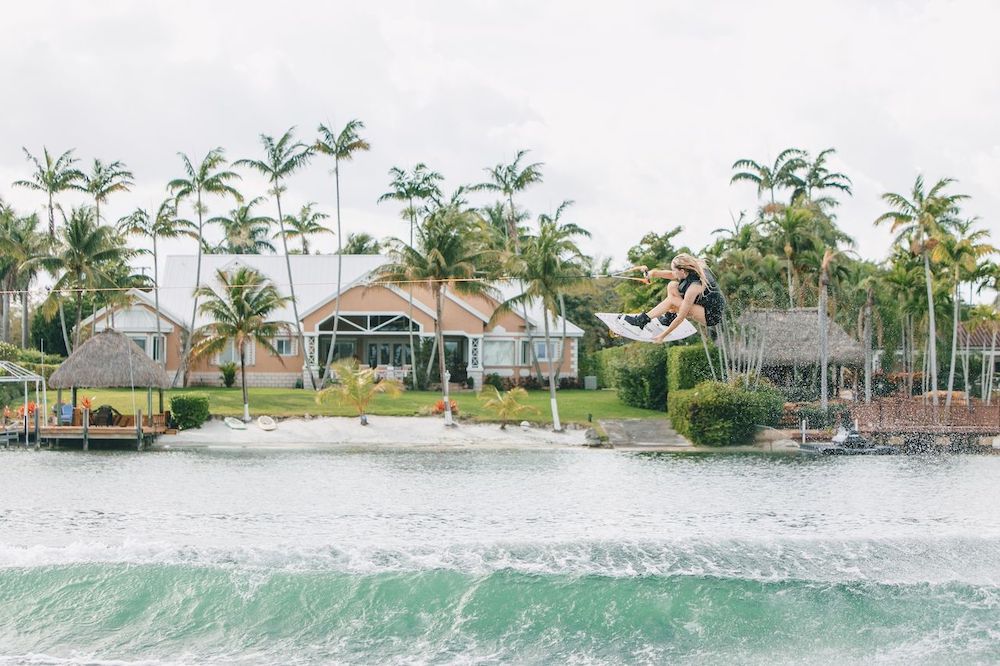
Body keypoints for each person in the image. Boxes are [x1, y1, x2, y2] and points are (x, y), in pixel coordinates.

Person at [622, 253, 726, 342]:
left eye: (674, 270)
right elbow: (671, 275)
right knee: (672, 285)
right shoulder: (688, 270)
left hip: (711, 315)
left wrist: (662, 336)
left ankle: (642, 320)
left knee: (672, 299)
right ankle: (666, 318)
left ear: (682, 271)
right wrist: (653, 273)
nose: (673, 272)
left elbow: (681, 317)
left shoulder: (694, 287)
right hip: (703, 305)